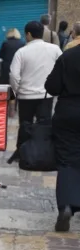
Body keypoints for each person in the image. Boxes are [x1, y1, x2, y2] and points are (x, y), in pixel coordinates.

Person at [7, 21, 62, 164]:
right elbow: (61, 69)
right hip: (46, 95)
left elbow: (13, 75)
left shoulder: (22, 52)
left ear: (28, 34)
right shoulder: (55, 49)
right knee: (44, 125)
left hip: (26, 96)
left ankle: (22, 153)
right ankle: (45, 152)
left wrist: (17, 89)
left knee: (25, 124)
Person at [45, 45, 80, 231]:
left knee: (66, 160)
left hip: (68, 113)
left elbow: (52, 86)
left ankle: (66, 206)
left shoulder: (68, 56)